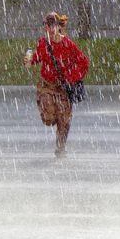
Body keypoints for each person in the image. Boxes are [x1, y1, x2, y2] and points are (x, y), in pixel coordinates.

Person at [24, 12, 89, 158]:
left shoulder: (68, 44)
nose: (51, 29)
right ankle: (50, 114)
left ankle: (61, 148)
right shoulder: (43, 42)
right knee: (48, 117)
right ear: (45, 27)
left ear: (59, 26)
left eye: (54, 25)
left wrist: (71, 78)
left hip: (64, 87)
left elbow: (84, 63)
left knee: (64, 120)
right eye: (48, 26)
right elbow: (37, 57)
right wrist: (30, 60)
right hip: (46, 85)